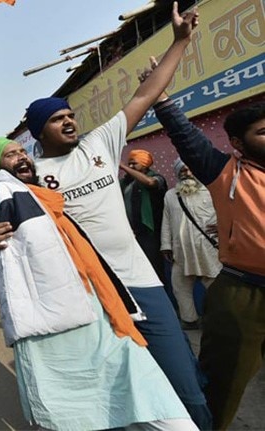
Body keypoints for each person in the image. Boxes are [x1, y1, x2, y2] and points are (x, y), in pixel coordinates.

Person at [8, 4, 210, 428]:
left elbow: (146, 93)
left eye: (69, 115)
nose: (68, 122)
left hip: (142, 283)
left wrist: (180, 40)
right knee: (109, 395)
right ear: (39, 130)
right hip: (88, 295)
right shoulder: (29, 175)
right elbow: (0, 221)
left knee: (186, 388)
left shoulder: (100, 142)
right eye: (57, 119)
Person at [0, 136, 197, 430]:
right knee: (75, 418)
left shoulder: (51, 198)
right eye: (10, 155)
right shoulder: (0, 194)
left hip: (103, 317)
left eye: (23, 151)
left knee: (164, 412)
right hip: (53, 333)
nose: (22, 157)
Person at [154, 99, 265, 430]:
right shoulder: (223, 171)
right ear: (237, 143)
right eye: (263, 132)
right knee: (221, 388)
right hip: (244, 296)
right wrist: (162, 102)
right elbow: (186, 136)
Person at [160, 158, 221, 329]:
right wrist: (165, 245)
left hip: (207, 248)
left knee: (215, 286)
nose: (186, 173)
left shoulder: (210, 190)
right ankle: (189, 320)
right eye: (182, 170)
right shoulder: (170, 195)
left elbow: (226, 211)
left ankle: (219, 320)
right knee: (179, 285)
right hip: (181, 251)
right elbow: (166, 220)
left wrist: (223, 228)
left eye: (189, 169)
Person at [120, 149, 168, 285]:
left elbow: (150, 183)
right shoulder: (125, 183)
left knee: (155, 271)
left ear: (145, 164)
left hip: (151, 234)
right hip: (131, 235)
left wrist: (122, 166)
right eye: (129, 164)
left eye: (134, 164)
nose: (130, 167)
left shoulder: (157, 178)